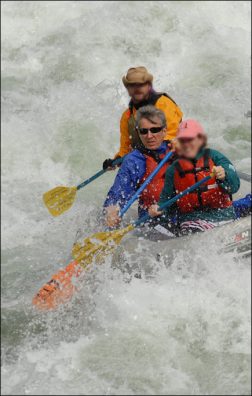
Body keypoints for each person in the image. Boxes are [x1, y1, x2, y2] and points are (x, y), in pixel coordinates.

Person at [149, 119, 241, 234]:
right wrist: (158, 209)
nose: (186, 144)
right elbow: (166, 202)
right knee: (154, 222)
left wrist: (224, 176)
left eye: (190, 139)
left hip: (222, 215)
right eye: (183, 140)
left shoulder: (215, 157)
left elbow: (234, 186)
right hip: (191, 219)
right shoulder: (173, 170)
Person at [103, 105, 174, 227]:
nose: (149, 136)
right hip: (153, 222)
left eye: (155, 130)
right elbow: (119, 192)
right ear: (138, 133)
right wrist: (111, 211)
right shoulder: (134, 160)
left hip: (185, 217)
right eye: (144, 131)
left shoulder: (179, 150)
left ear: (164, 131)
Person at [103, 66, 183, 170]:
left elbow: (171, 136)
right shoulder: (127, 116)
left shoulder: (164, 104)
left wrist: (143, 151)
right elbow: (125, 148)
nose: (137, 89)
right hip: (144, 163)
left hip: (170, 161)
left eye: (141, 85)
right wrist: (117, 160)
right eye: (132, 85)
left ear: (148, 86)